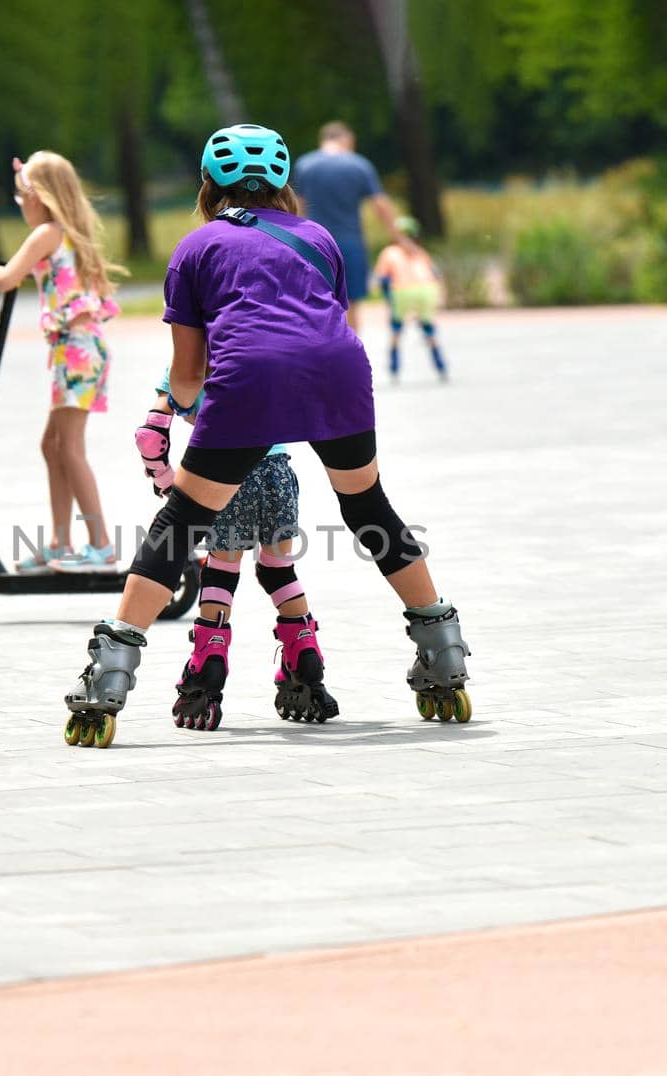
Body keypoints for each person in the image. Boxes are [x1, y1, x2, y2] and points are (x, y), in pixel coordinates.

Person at [61, 123, 472, 749]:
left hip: (249, 380)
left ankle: (110, 674)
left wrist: (196, 425)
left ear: (208, 185)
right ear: (283, 184)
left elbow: (187, 372)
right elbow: (322, 322)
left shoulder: (196, 249)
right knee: (368, 507)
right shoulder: (319, 238)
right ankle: (443, 654)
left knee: (182, 524)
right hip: (339, 375)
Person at [135, 370, 338, 731]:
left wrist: (166, 482)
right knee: (278, 570)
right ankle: (305, 653)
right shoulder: (255, 352)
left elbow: (150, 437)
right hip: (278, 472)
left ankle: (208, 663)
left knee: (221, 571)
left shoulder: (191, 360)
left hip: (224, 471)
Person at [0, 152, 122, 574]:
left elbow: (8, 277)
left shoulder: (48, 233)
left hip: (77, 350)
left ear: (39, 196)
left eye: (19, 196)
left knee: (69, 447)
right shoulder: (66, 232)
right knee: (52, 445)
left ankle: (100, 543)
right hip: (78, 349)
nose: (20, 204)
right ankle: (59, 542)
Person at [292, 120, 404, 334]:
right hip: (350, 242)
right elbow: (380, 204)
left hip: (314, 244)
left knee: (315, 302)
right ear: (347, 138)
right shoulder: (358, 165)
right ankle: (350, 356)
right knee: (350, 303)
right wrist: (397, 236)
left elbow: (298, 206)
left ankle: (319, 355)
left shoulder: (305, 165)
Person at [375, 216, 448, 382]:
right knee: (428, 328)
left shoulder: (390, 252)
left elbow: (381, 278)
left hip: (402, 291)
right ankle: (440, 365)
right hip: (426, 290)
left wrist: (387, 297)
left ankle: (394, 367)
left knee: (396, 329)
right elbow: (434, 274)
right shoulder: (421, 252)